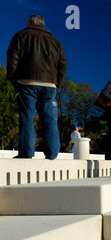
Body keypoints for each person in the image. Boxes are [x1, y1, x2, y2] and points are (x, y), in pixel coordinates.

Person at [7, 14, 67, 160]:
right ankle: (52, 154)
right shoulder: (56, 42)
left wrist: (14, 79)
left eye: (27, 22)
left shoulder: (21, 35)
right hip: (49, 85)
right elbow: (62, 65)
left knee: (27, 117)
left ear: (33, 22)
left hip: (26, 82)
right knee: (50, 120)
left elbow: (12, 58)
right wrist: (56, 83)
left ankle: (27, 152)